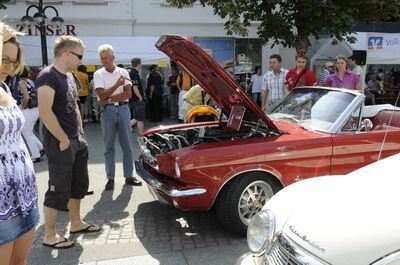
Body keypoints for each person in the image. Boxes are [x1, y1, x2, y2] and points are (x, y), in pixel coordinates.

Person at [36, 35, 100, 249]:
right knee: (57, 189)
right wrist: (63, 138)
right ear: (66, 54)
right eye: (79, 56)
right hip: (59, 142)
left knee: (78, 184)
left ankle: (76, 223)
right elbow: (44, 112)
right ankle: (50, 235)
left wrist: (80, 133)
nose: (81, 60)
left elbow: (73, 106)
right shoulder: (47, 76)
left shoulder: (69, 76)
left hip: (76, 139)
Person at [0, 22, 39, 265]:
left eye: (13, 61)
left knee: (19, 262)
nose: (9, 66)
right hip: (1, 196)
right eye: (3, 58)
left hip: (24, 190)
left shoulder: (5, 86)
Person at [93, 44, 142, 190]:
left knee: (127, 145)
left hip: (123, 109)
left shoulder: (123, 72)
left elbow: (128, 94)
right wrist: (116, 85)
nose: (104, 61)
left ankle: (129, 176)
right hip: (108, 112)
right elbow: (101, 94)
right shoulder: (98, 74)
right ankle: (110, 178)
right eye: (102, 59)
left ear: (113, 57)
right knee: (109, 147)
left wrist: (108, 98)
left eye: (106, 58)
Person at [18, 65, 43, 163]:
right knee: (28, 131)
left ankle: (36, 155)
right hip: (35, 108)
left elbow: (26, 97)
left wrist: (22, 107)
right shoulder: (30, 81)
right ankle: (40, 148)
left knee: (27, 133)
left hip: (28, 109)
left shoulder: (21, 82)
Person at [129, 58, 145, 136]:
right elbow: (135, 87)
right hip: (137, 99)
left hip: (133, 98)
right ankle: (125, 127)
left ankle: (141, 134)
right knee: (139, 117)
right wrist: (140, 97)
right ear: (138, 64)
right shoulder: (134, 73)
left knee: (139, 117)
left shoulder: (132, 73)